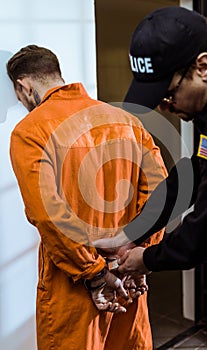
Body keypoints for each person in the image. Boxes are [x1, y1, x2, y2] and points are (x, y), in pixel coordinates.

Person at [7, 45, 167, 350]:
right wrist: (140, 253)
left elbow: (48, 214)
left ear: (23, 86)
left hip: (74, 286)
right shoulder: (126, 121)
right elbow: (160, 193)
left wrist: (94, 274)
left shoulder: (30, 131)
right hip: (127, 276)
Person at [93, 6, 207, 284]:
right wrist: (131, 233)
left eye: (168, 95)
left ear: (203, 66)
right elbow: (196, 171)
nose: (164, 107)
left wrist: (147, 260)